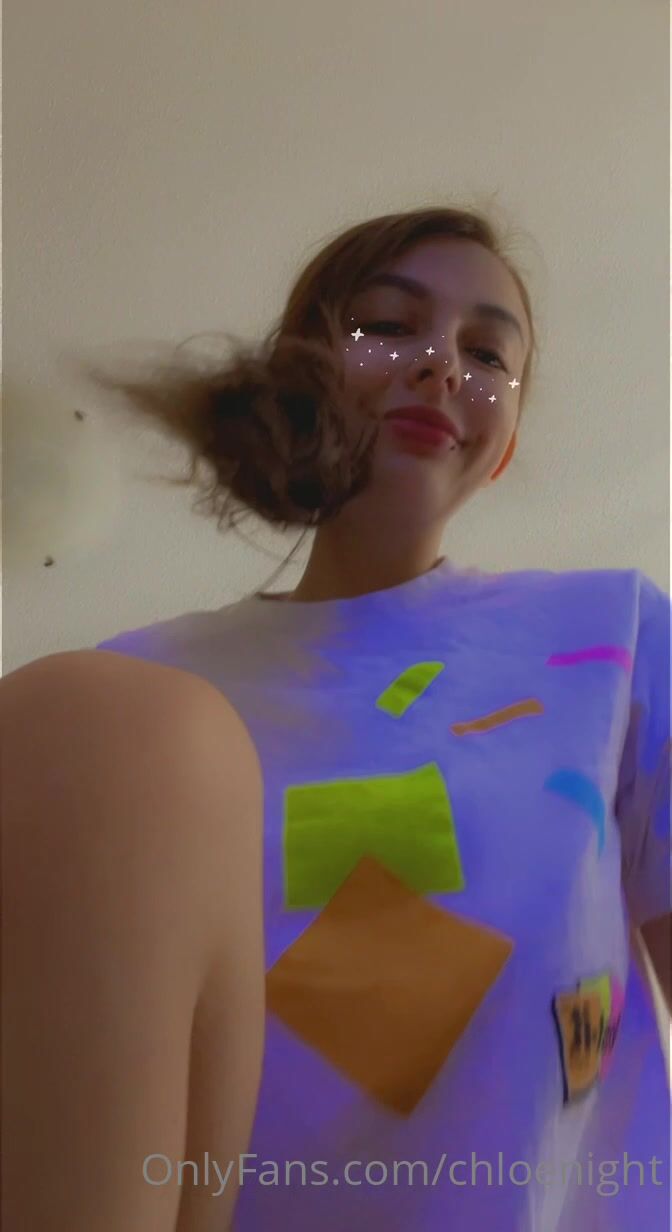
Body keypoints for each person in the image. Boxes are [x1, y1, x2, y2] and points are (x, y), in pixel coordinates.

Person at [8, 205, 671, 1230]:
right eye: (390, 326)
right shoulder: (133, 699)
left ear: (504, 446)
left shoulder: (612, 634)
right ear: (301, 370)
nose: (441, 364)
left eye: (487, 353)